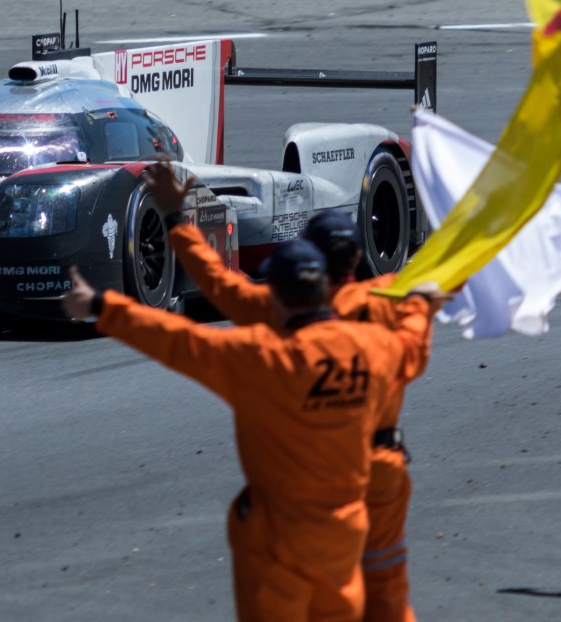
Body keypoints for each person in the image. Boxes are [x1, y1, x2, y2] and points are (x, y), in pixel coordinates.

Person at [62, 240, 437, 622]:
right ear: (324, 292)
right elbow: (411, 342)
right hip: (344, 528)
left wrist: (101, 306)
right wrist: (419, 304)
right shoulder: (373, 348)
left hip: (278, 532)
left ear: (274, 298)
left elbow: (177, 340)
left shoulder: (260, 358)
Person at [142, 157, 426, 622]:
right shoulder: (393, 301)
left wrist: (179, 217)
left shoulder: (278, 308)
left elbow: (218, 286)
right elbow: (438, 294)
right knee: (387, 580)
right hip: (384, 466)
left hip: (316, 480)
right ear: (357, 258)